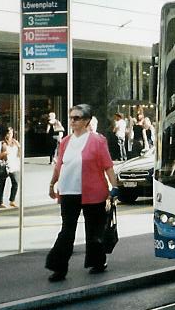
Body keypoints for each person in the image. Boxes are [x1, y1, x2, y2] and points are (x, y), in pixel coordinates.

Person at [45, 104, 119, 282]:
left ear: (86, 121)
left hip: (94, 192)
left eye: (76, 118)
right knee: (67, 231)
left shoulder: (98, 140)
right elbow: (59, 165)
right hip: (69, 192)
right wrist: (52, 184)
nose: (72, 121)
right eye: (71, 117)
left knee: (94, 231)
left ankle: (97, 262)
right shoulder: (65, 142)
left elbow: (108, 167)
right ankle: (58, 267)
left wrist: (114, 188)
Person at [0, 128, 21, 208]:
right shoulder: (1, 143)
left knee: (16, 183)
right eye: (8, 133)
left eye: (11, 133)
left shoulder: (15, 143)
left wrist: (20, 148)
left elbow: (19, 154)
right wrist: (4, 153)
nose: (10, 135)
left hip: (14, 166)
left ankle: (12, 200)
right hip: (3, 166)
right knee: (1, 185)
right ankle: (0, 203)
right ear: (5, 134)